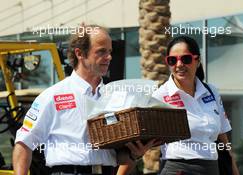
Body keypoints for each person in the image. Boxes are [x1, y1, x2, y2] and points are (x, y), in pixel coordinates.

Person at [12, 24, 156, 175]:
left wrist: (134, 154)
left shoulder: (117, 97)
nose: (109, 57)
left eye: (110, 51)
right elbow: (24, 144)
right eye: (101, 51)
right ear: (80, 53)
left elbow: (121, 156)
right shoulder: (52, 96)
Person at [152, 36, 240, 175]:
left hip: (212, 169)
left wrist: (233, 168)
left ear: (197, 61)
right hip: (177, 169)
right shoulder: (159, 96)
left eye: (185, 59)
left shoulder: (212, 92)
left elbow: (222, 136)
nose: (179, 64)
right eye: (172, 60)